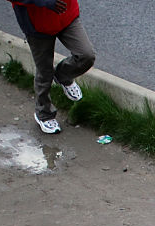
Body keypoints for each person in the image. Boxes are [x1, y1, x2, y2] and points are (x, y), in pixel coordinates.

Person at [7, 0, 95, 134]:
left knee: (86, 55)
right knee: (45, 72)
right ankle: (44, 114)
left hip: (67, 16)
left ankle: (63, 75)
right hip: (37, 26)